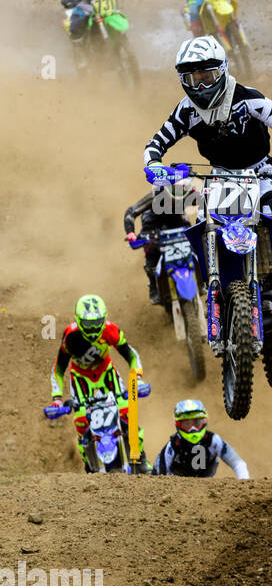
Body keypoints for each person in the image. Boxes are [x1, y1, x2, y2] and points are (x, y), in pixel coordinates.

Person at [143, 35, 272, 315]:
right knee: (203, 224)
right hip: (219, 178)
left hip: (261, 171)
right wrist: (155, 165)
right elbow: (155, 144)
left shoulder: (247, 98)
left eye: (207, 77)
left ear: (222, 71)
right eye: (193, 79)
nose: (201, 86)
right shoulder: (186, 110)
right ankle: (215, 287)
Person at [49, 295, 146, 469]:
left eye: (97, 323)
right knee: (81, 420)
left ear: (104, 318)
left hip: (106, 372)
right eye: (88, 324)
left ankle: (140, 459)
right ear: (79, 321)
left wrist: (137, 380)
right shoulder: (70, 336)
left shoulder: (111, 330)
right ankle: (90, 466)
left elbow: (131, 355)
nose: (93, 328)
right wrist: (57, 399)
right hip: (81, 377)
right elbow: (59, 368)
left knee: (127, 411)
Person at [123, 180, 195, 305]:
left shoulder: (188, 192)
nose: (177, 199)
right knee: (151, 246)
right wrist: (130, 232)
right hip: (153, 223)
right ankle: (153, 284)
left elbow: (206, 201)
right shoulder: (156, 195)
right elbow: (131, 212)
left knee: (195, 238)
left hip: (176, 221)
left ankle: (205, 276)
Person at [153, 399, 250, 479]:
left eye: (197, 423)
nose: (193, 429)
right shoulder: (173, 445)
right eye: (187, 424)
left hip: (206, 488)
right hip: (177, 489)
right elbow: (159, 474)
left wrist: (244, 483)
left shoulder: (213, 440)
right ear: (178, 424)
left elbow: (238, 464)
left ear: (204, 421)